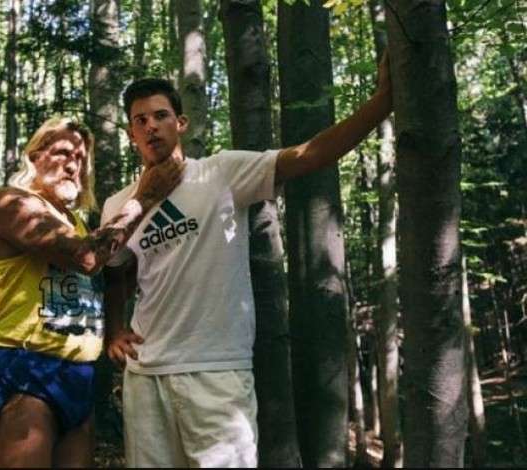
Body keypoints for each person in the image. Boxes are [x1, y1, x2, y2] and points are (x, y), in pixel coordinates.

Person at [101, 55, 393, 467]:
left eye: (161, 115)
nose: (151, 125)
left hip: (216, 370)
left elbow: (308, 156)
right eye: (140, 120)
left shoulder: (220, 174)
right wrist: (115, 329)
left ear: (180, 124)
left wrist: (382, 102)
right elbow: (115, 272)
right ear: (132, 134)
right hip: (146, 374)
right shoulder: (119, 204)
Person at [0, 115, 184, 468]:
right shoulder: (12, 204)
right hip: (26, 366)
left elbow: (108, 276)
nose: (73, 165)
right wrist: (145, 196)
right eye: (62, 153)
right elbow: (86, 257)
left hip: (80, 373)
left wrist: (117, 328)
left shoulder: (78, 223)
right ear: (35, 156)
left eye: (81, 159)